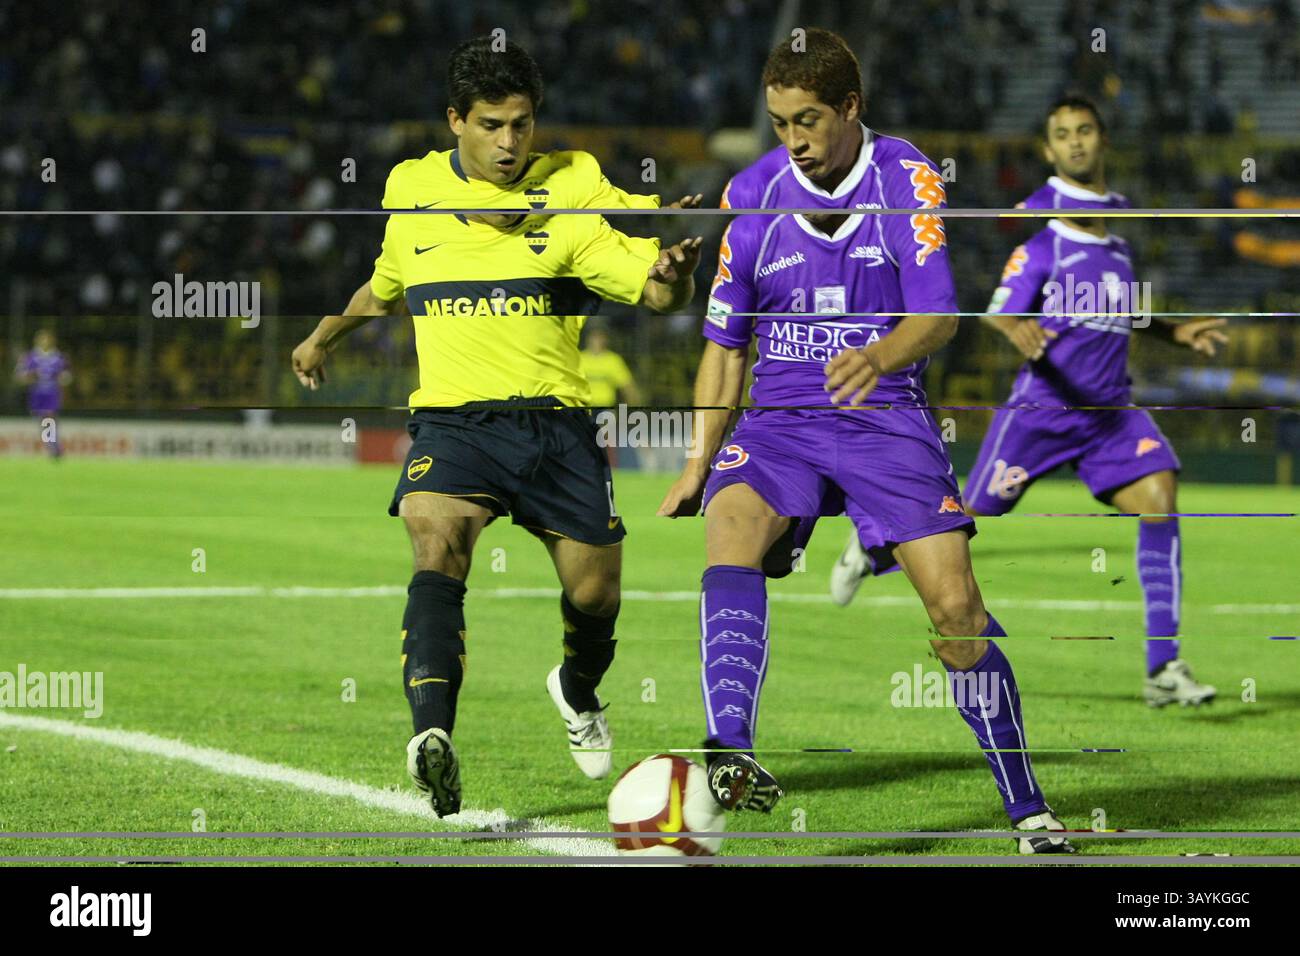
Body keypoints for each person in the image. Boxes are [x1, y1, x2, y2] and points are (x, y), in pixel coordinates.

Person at [658, 29, 1072, 853]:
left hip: (887, 417)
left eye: (807, 120)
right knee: (729, 529)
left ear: (852, 107)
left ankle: (1029, 810)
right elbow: (725, 346)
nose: (794, 141)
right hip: (779, 422)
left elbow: (940, 315)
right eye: (778, 123)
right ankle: (731, 748)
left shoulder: (907, 181)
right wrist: (700, 460)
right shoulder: (756, 200)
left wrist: (879, 355)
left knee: (957, 611)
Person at [290, 36, 702, 817]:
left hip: (556, 427)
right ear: (456, 121)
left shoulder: (572, 204)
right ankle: (431, 737)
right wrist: (322, 336)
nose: (511, 143)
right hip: (454, 423)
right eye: (492, 125)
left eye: (522, 124)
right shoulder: (410, 192)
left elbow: (652, 294)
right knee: (434, 540)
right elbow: (384, 289)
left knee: (595, 596)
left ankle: (577, 690)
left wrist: (672, 280)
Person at [832, 95, 1227, 708]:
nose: (1075, 142)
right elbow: (996, 309)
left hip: (1110, 415)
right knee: (964, 517)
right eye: (1062, 134)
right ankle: (875, 541)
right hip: (1041, 414)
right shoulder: (1045, 244)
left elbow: (1123, 309)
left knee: (1161, 500)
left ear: (1101, 140)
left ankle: (1163, 666)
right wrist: (1012, 325)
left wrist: (1176, 332)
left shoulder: (1117, 248)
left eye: (1085, 130)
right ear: (1049, 151)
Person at [15, 329, 71, 459]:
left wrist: (61, 378)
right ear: (37, 341)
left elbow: (67, 376)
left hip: (51, 393)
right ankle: (52, 447)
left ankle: (54, 448)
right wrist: (29, 377)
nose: (44, 341)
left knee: (49, 419)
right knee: (44, 421)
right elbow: (20, 376)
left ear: (51, 341)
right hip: (36, 394)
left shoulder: (58, 357)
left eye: (47, 339)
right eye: (42, 339)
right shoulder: (29, 357)